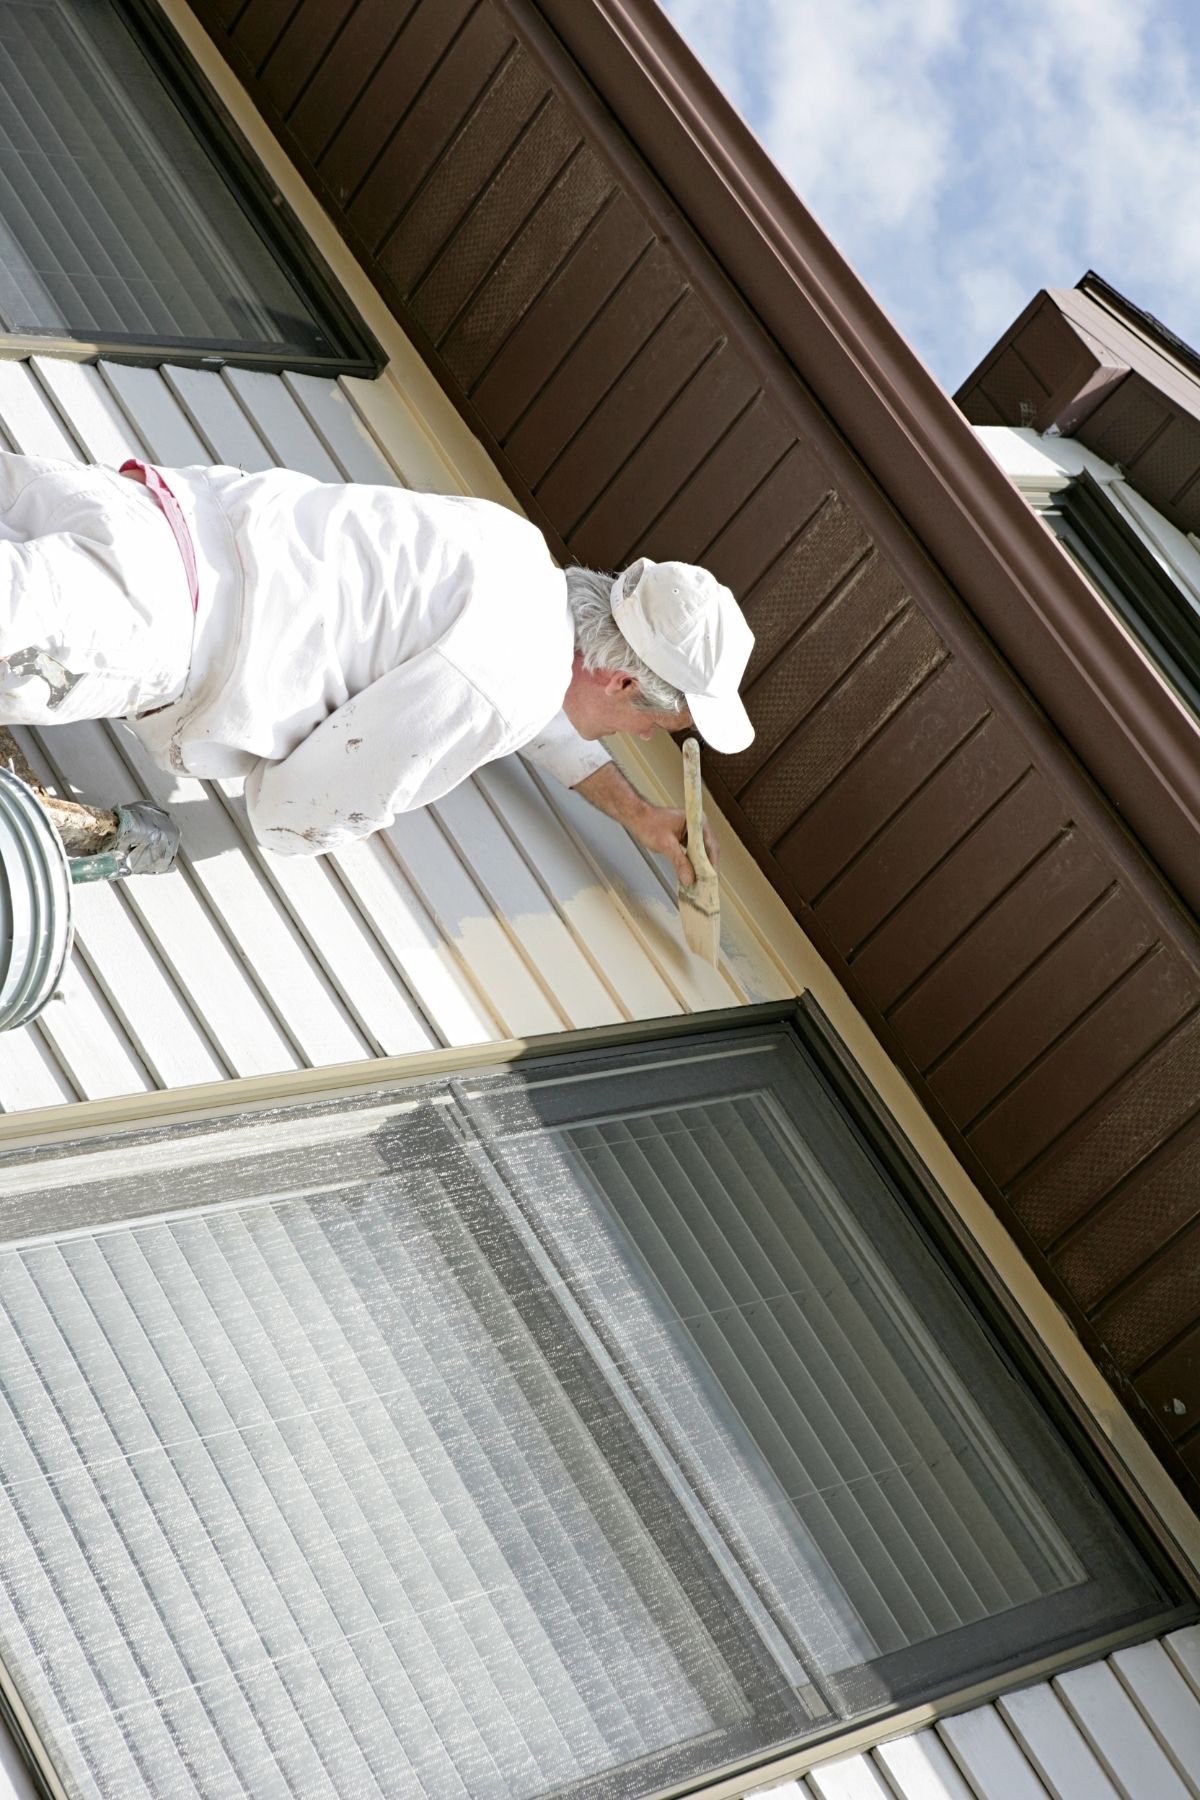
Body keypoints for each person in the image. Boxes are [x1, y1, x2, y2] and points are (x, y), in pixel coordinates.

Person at [0, 452, 755, 880]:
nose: (643, 738)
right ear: (622, 680)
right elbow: (292, 813)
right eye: (655, 724)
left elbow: (536, 712)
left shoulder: (515, 552)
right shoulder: (509, 683)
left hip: (131, 508)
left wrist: (639, 816)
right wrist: (350, 819)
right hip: (139, 615)